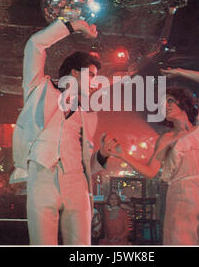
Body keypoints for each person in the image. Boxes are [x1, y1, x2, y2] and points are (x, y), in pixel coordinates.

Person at [10, 18, 118, 245]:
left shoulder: (89, 113)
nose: (94, 83)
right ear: (74, 74)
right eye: (91, 75)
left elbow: (86, 162)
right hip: (42, 175)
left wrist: (102, 156)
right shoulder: (38, 89)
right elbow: (35, 45)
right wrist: (75, 25)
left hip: (77, 182)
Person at [112, 67, 199, 245]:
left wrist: (180, 72)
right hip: (183, 194)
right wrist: (123, 156)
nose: (166, 105)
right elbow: (151, 171)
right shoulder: (166, 139)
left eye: (170, 101)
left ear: (182, 103)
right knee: (182, 238)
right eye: (163, 104)